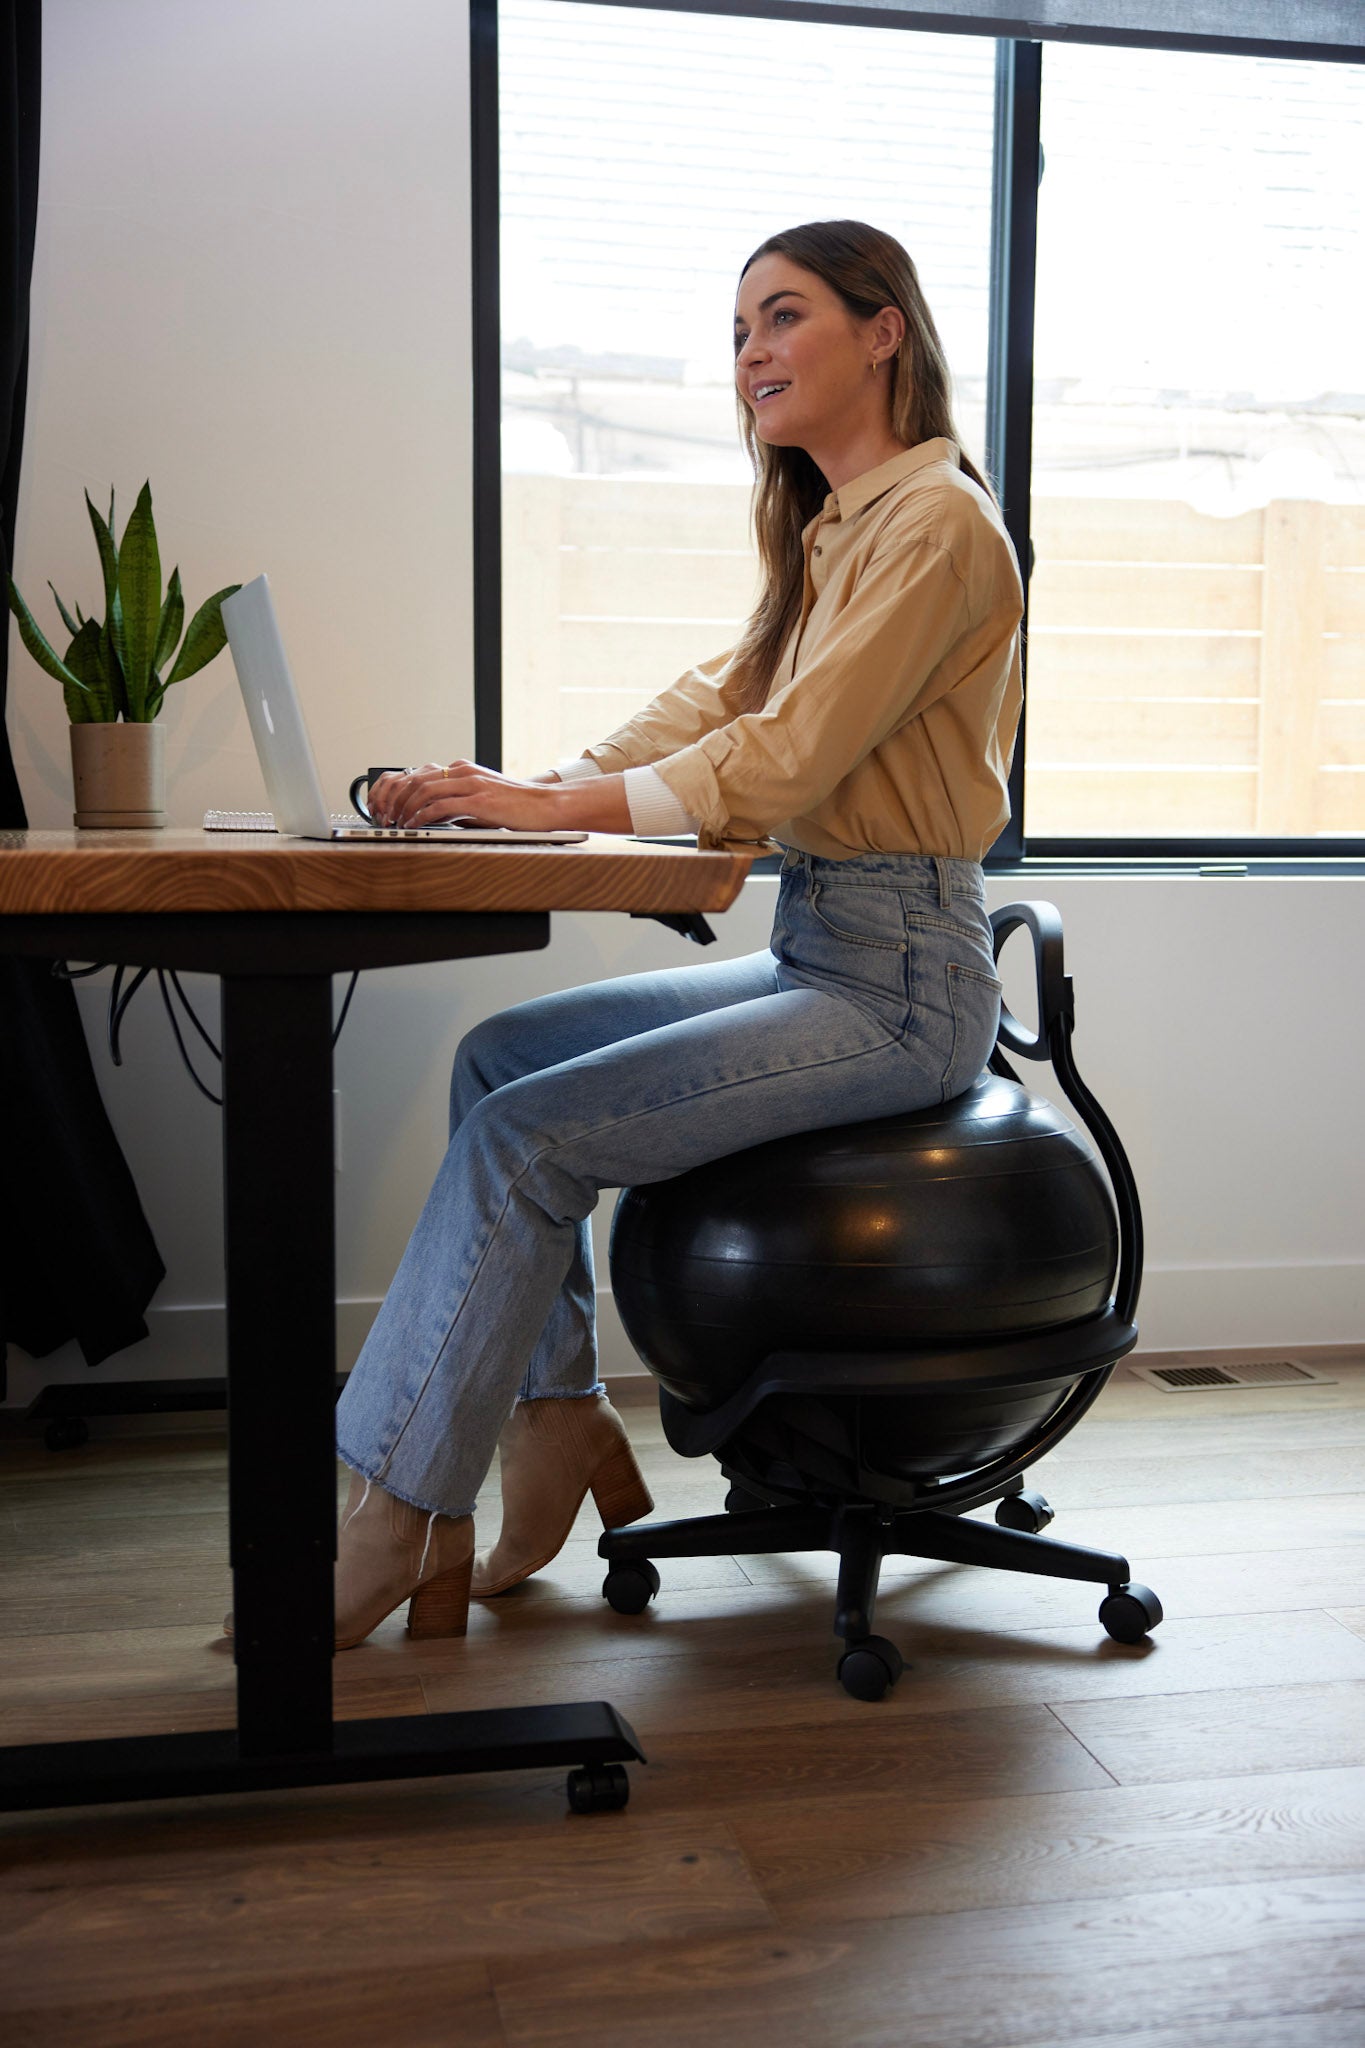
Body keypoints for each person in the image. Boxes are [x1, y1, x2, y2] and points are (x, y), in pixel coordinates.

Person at [231, 218, 1023, 1651]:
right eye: (736, 335)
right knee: (499, 1063)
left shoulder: (938, 526)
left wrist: (550, 808)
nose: (751, 357)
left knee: (528, 1138)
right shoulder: (835, 531)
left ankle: (392, 1515)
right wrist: (518, 794)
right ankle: (560, 1426)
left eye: (781, 320)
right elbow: (710, 705)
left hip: (901, 980)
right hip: (825, 952)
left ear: (882, 329)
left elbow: (781, 757)